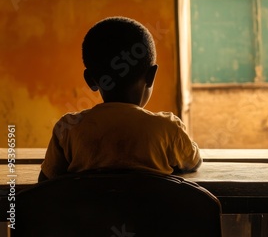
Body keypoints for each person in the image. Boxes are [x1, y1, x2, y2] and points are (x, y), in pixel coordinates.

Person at [39, 16, 201, 182]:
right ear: (151, 76)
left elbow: (45, 183)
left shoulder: (67, 129)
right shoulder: (168, 129)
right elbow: (193, 162)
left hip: (89, 208)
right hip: (151, 209)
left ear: (90, 80)